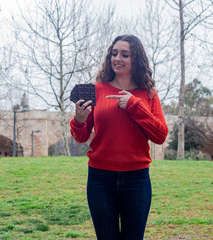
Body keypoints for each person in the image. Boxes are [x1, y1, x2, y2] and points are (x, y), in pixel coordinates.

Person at [70, 35, 168, 240]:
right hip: (99, 179)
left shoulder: (149, 95)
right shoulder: (95, 90)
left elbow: (160, 135)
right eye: (114, 53)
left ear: (137, 60)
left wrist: (134, 105)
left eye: (125, 54)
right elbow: (81, 137)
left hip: (137, 179)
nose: (118, 58)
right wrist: (79, 121)